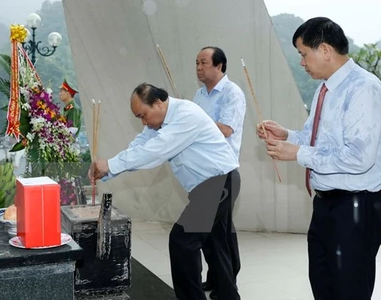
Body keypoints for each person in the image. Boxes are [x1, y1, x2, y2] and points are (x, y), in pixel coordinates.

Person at [256, 17, 381, 300]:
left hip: (355, 207)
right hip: (326, 205)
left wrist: (298, 154)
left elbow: (359, 157)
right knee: (324, 286)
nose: (302, 62)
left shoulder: (363, 88)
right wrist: (287, 136)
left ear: (324, 50)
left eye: (303, 54)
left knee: (349, 289)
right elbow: (317, 141)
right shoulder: (325, 89)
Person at [89, 83, 241, 300]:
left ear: (158, 103)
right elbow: (140, 146)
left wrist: (111, 164)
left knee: (182, 241)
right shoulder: (158, 122)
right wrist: (108, 171)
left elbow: (156, 151)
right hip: (212, 185)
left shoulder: (185, 115)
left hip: (219, 183)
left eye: (143, 115)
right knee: (217, 245)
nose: (143, 122)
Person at [194, 46, 246, 299]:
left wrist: (197, 122)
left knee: (217, 235)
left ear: (220, 66)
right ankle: (217, 279)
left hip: (222, 172)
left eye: (204, 62)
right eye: (197, 63)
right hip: (203, 172)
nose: (199, 68)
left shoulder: (232, 93)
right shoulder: (199, 94)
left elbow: (226, 129)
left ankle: (227, 290)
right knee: (219, 232)